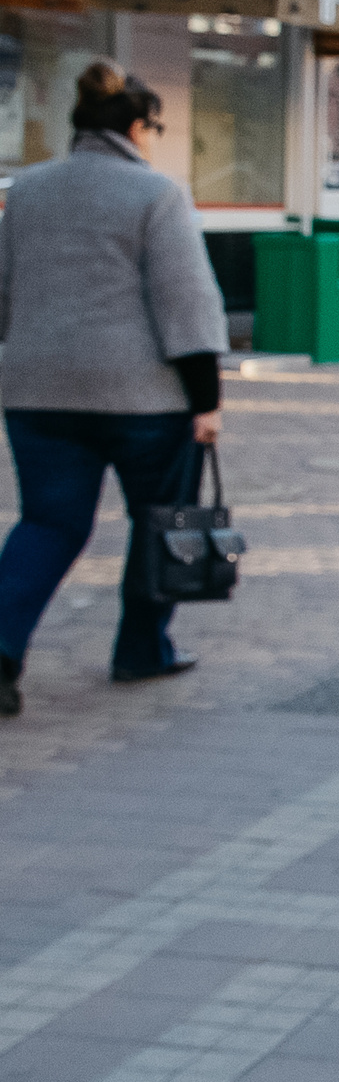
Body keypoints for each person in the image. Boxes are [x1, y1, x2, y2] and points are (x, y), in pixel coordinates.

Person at [0, 62, 228, 712]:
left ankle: (1, 649)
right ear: (136, 126)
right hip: (143, 397)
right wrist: (206, 399)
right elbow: (186, 302)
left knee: (48, 521)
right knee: (159, 522)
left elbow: (3, 292)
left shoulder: (28, 190)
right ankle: (140, 650)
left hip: (37, 391)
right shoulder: (155, 194)